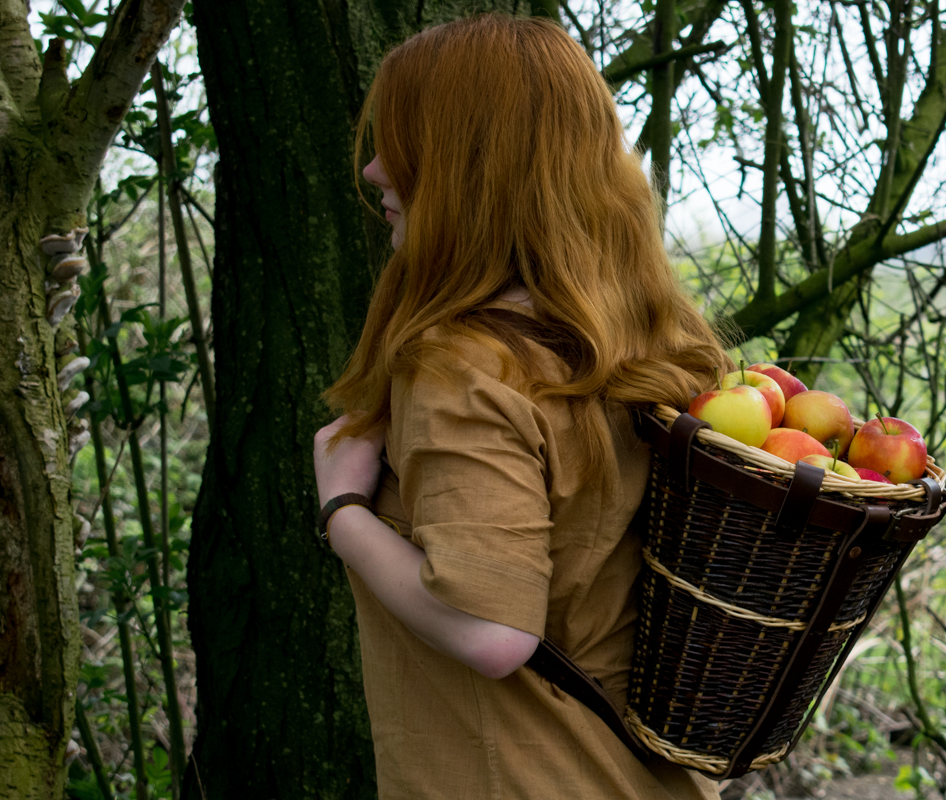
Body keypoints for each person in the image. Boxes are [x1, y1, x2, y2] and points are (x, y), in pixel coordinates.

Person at [311, 14, 728, 798]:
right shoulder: (647, 347)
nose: (372, 171)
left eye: (401, 143)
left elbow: (494, 632)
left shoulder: (468, 368)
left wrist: (342, 510)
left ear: (469, 166)